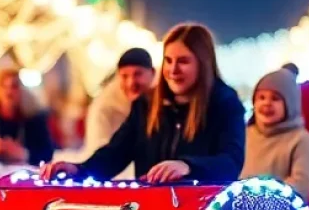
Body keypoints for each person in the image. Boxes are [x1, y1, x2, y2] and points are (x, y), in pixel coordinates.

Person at [40, 23, 245, 184]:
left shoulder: (224, 104)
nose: (173, 70)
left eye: (183, 61)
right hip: (150, 209)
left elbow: (230, 161)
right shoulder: (147, 104)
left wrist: (187, 166)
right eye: (169, 60)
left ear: (203, 63)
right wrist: (79, 169)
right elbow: (116, 152)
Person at [240, 64, 309, 201]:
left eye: (275, 98)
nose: (267, 103)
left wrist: (263, 197)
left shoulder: (301, 139)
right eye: (261, 97)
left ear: (290, 103)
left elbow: (301, 186)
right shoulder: (245, 134)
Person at [84, 47, 156, 178]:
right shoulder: (103, 107)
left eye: (138, 74)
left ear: (152, 73)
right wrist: (79, 170)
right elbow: (107, 153)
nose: (131, 83)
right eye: (124, 76)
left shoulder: (160, 101)